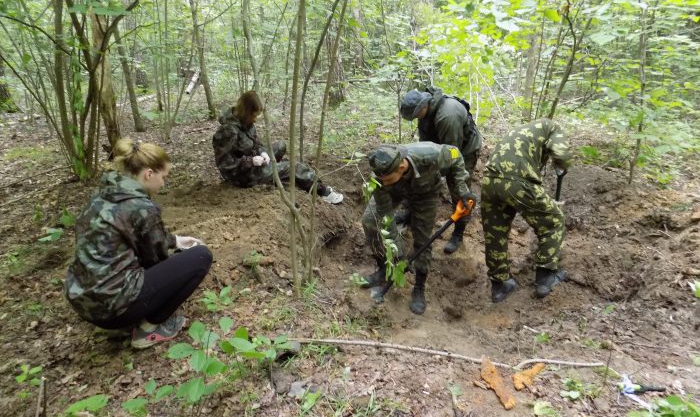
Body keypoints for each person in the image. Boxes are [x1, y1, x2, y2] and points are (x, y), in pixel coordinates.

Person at [64, 138, 213, 349]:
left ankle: (118, 322)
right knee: (200, 257)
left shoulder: (105, 194)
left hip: (84, 301)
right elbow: (155, 259)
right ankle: (148, 327)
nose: (164, 183)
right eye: (164, 177)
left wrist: (175, 240)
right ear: (149, 174)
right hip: (114, 307)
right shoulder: (141, 206)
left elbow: (129, 234)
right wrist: (175, 254)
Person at [361, 142, 477, 315]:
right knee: (371, 221)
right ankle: (385, 268)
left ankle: (419, 286)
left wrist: (462, 189)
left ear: (401, 166)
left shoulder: (430, 154)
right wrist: (399, 254)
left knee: (422, 239)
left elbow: (456, 155)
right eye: (381, 180)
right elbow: (386, 217)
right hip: (396, 191)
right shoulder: (381, 179)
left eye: (387, 179)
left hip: (426, 194)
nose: (382, 182)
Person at [481, 119, 572, 303]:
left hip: (489, 181)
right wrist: (563, 164)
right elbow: (562, 155)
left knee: (495, 234)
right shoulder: (552, 127)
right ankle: (545, 278)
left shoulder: (521, 131)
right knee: (554, 221)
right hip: (517, 182)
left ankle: (500, 285)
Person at [213, 91, 343, 204]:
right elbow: (224, 165)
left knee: (280, 146)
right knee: (294, 167)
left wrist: (263, 153)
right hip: (243, 176)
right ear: (247, 112)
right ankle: (323, 191)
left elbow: (256, 143)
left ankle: (273, 172)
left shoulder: (244, 122)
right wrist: (250, 161)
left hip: (254, 164)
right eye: (254, 116)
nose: (255, 120)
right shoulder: (228, 131)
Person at [400, 87, 483, 253]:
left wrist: (435, 174)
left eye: (416, 115)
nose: (416, 119)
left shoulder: (447, 117)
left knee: (459, 190)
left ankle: (458, 232)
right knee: (418, 175)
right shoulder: (424, 110)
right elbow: (425, 142)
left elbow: (453, 154)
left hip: (462, 151)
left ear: (423, 107)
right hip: (442, 144)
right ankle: (410, 213)